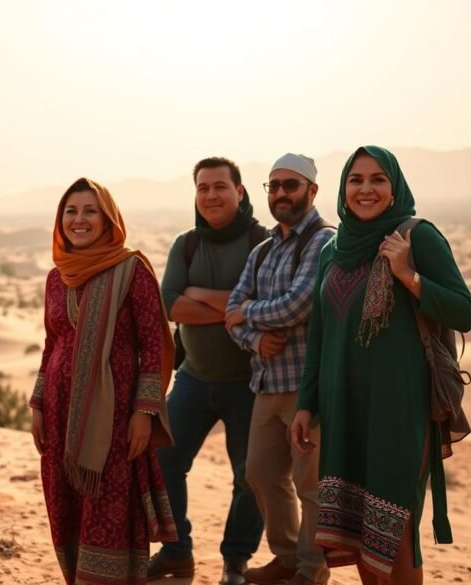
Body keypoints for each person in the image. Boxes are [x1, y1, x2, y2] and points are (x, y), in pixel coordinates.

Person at [290, 146, 471, 585]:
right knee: (355, 532)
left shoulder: (418, 238)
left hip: (398, 409)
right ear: (343, 189)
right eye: (355, 180)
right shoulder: (332, 251)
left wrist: (408, 275)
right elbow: (320, 336)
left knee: (395, 530)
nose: (366, 189)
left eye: (378, 179)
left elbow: (464, 311)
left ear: (395, 188)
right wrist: (306, 404)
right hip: (342, 409)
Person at [29, 177, 178, 585]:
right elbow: (52, 344)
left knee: (110, 508)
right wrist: (37, 403)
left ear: (108, 218)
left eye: (90, 211)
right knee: (66, 510)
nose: (79, 219)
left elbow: (153, 345)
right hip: (59, 417)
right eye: (70, 211)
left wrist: (144, 412)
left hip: (114, 422)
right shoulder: (57, 278)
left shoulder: (133, 270)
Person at [148, 157, 267, 585]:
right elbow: (169, 305)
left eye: (220, 186)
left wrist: (199, 294)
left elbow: (267, 307)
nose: (211, 195)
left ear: (240, 191)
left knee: (251, 477)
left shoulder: (262, 243)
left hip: (251, 383)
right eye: (203, 188)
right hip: (193, 378)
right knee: (163, 460)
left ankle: (236, 561)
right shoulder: (186, 244)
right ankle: (177, 552)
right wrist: (237, 307)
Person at [225, 154, 336, 585]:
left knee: (311, 485)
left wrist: (249, 312)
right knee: (260, 473)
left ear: (312, 190)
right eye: (274, 186)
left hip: (308, 387)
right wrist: (256, 339)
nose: (281, 194)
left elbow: (297, 305)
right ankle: (287, 557)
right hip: (267, 382)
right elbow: (230, 315)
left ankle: (311, 571)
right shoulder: (263, 251)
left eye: (291, 185)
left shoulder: (324, 242)